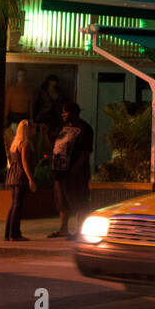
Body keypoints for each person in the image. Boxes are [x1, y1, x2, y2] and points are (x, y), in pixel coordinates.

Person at [49, 102, 94, 239]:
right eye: (62, 112)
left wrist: (76, 169)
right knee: (62, 201)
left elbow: (85, 151)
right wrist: (47, 134)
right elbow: (55, 145)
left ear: (74, 113)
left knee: (78, 200)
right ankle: (63, 229)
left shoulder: (84, 128)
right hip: (60, 170)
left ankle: (81, 230)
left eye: (65, 112)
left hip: (75, 172)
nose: (63, 114)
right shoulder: (63, 128)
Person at [3, 120, 36, 241]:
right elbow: (25, 162)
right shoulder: (24, 144)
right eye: (33, 128)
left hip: (13, 175)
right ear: (28, 130)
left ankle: (8, 233)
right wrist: (30, 178)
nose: (34, 131)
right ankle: (14, 234)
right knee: (18, 205)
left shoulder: (15, 143)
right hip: (20, 176)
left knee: (14, 205)